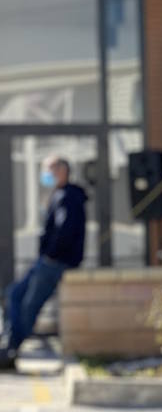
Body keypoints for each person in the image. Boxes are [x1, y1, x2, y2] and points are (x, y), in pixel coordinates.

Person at [0, 156, 87, 372]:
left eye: (48, 169)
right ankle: (8, 344)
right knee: (14, 294)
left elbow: (64, 231)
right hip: (47, 260)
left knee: (29, 304)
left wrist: (51, 254)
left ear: (61, 171)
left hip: (56, 262)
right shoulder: (58, 195)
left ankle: (11, 349)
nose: (45, 174)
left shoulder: (68, 197)